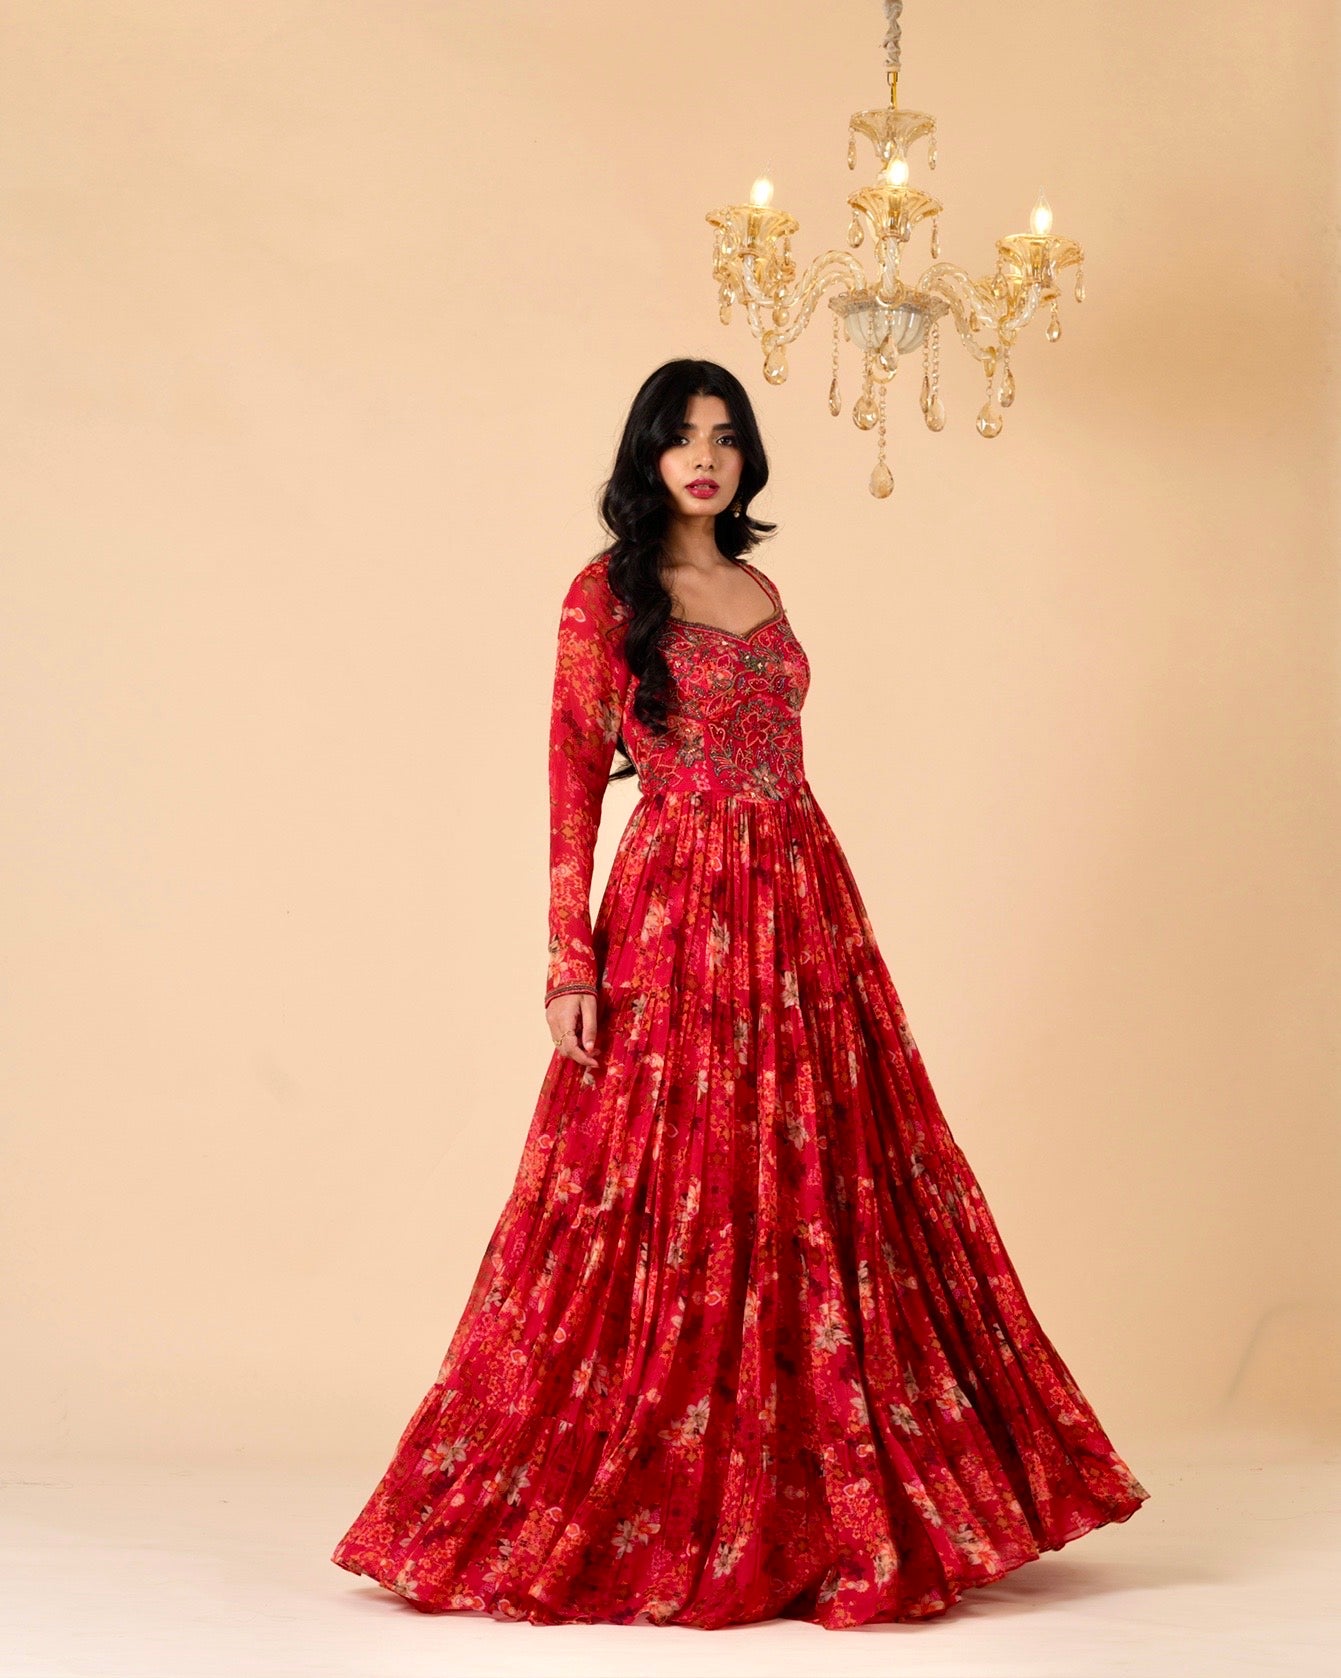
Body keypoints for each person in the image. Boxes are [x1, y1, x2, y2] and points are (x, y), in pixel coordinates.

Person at [330, 358, 1149, 1629]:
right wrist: (567, 956)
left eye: (724, 436)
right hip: (677, 909)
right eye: (679, 437)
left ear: (747, 456)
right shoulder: (605, 596)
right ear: (645, 455)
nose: (703, 458)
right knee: (668, 1185)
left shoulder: (762, 586)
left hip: (805, 906)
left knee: (827, 1177)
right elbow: (566, 780)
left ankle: (816, 1498)